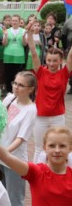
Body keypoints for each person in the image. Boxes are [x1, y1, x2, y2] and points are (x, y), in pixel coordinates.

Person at [0, 71, 37, 206]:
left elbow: (21, 138)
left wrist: (6, 154)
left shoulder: (31, 110)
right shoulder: (9, 99)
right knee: (0, 194)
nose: (16, 87)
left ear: (31, 89)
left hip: (14, 161)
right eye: (15, 83)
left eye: (21, 85)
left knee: (15, 198)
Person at [26, 23, 72, 159]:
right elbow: (33, 51)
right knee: (39, 148)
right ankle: (37, 177)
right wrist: (29, 33)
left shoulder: (64, 73)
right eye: (49, 61)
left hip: (58, 117)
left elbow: (70, 56)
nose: (51, 64)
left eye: (55, 61)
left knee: (58, 148)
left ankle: (56, 175)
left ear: (60, 61)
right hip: (40, 116)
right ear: (45, 60)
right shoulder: (40, 72)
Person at [2, 14, 26, 93]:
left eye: (16, 21)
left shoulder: (23, 31)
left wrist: (23, 37)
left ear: (19, 22)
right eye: (13, 21)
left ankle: (17, 92)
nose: (14, 22)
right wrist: (5, 36)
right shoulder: (7, 31)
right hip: (8, 55)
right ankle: (9, 92)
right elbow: (4, 44)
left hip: (19, 55)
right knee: (8, 75)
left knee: (18, 75)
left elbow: (25, 44)